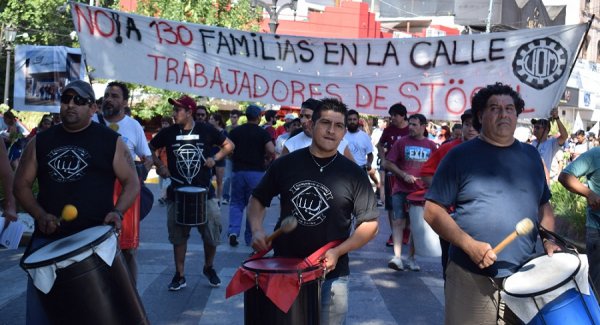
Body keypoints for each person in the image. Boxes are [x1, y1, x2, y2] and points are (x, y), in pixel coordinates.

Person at [423, 82, 560, 324]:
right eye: (495, 108)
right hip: (470, 274)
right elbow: (433, 211)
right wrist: (469, 245)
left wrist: (549, 239)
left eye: (509, 109)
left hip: (523, 275)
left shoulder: (530, 156)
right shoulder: (459, 156)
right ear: (480, 115)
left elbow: (543, 206)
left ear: (517, 116)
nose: (504, 114)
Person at [14, 80, 140, 323]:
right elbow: (20, 186)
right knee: (42, 317)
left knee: (96, 317)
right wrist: (40, 215)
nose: (70, 105)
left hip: (93, 243)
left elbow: (132, 182)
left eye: (79, 101)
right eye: (66, 99)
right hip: (47, 242)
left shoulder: (110, 141)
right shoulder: (41, 141)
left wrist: (117, 212)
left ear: (93, 107)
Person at [248, 98, 379, 324]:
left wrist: (339, 251)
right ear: (311, 125)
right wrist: (257, 230)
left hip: (332, 276)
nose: (331, 131)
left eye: (339, 126)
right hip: (284, 269)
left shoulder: (353, 173)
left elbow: (370, 224)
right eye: (325, 123)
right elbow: (258, 199)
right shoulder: (285, 164)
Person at [149, 95, 234, 290]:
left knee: (212, 234)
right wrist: (159, 164)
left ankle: (209, 267)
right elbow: (150, 147)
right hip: (177, 193)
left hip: (205, 193)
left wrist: (215, 157)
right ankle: (179, 275)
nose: (173, 113)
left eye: (178, 110)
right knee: (178, 236)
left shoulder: (207, 130)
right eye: (174, 110)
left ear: (189, 112)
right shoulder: (169, 132)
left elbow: (229, 145)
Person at [99, 81, 153, 282]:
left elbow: (147, 158)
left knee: (128, 249)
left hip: (125, 193)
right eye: (106, 95)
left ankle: (132, 298)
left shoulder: (133, 125)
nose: (109, 99)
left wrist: (138, 177)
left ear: (124, 101)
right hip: (97, 191)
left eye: (114, 95)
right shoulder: (93, 122)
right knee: (97, 247)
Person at [419, 109, 479, 279]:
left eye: (475, 125)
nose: (471, 129)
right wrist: (447, 192)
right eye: (467, 125)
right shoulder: (448, 149)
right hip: (450, 217)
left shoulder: (492, 151)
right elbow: (426, 174)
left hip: (477, 220)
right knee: (451, 264)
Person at [383, 113, 437, 271]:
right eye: (410, 124)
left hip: (420, 193)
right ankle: (397, 257)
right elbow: (388, 163)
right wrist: (403, 175)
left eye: (414, 125)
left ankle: (411, 258)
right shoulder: (401, 143)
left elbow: (437, 167)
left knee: (415, 226)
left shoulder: (431, 146)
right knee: (398, 222)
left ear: (423, 126)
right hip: (400, 190)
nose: (411, 128)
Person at [227, 104, 275, 247]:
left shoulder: (236, 132)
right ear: (259, 117)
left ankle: (234, 231)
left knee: (236, 203)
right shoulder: (262, 132)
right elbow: (271, 150)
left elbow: (228, 149)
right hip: (256, 173)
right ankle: (250, 237)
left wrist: (234, 156)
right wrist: (266, 158)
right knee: (253, 205)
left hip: (238, 171)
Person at [558, 147, 600, 292]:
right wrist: (589, 193)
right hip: (597, 229)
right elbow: (565, 176)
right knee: (596, 285)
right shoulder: (595, 155)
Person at [376, 103, 410, 247]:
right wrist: (383, 159)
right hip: (392, 172)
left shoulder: (412, 129)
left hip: (409, 173)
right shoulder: (389, 130)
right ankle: (394, 233)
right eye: (391, 116)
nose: (392, 118)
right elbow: (379, 144)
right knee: (391, 205)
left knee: (408, 204)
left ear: (402, 116)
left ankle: (406, 231)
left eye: (395, 115)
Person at [281, 98, 354, 161]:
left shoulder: (340, 142)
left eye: (308, 116)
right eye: (301, 116)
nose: (303, 121)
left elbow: (353, 170)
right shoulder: (290, 144)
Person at [344, 109, 374, 173]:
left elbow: (370, 154)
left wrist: (369, 163)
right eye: (350, 119)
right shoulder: (341, 135)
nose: (352, 122)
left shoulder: (365, 136)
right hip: (344, 169)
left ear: (358, 120)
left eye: (354, 119)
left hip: (361, 169)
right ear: (346, 121)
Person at [208, 113, 228, 204]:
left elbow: (227, 146)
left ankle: (218, 199)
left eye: (212, 119)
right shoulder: (208, 131)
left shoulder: (223, 132)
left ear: (217, 121)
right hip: (209, 157)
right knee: (207, 180)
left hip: (220, 158)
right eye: (210, 119)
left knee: (219, 181)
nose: (210, 120)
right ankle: (209, 198)